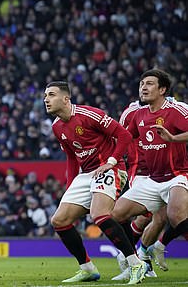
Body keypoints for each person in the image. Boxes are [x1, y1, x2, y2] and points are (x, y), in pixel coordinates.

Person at [43, 81, 146, 284]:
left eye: (51, 95)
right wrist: (70, 185)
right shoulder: (56, 127)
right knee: (59, 220)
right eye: (45, 95)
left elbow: (123, 135)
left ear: (66, 99)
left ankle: (136, 263)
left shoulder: (89, 115)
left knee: (99, 214)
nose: (46, 99)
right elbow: (72, 158)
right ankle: (87, 269)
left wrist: (111, 162)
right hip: (87, 173)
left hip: (110, 167)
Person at [110, 69, 188, 276]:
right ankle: (134, 259)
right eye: (141, 83)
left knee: (174, 216)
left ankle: (157, 247)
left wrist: (173, 139)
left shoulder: (176, 110)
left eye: (150, 84)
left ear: (163, 89)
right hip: (151, 179)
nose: (143, 87)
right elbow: (124, 137)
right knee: (115, 215)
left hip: (178, 175)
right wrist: (107, 157)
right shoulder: (138, 114)